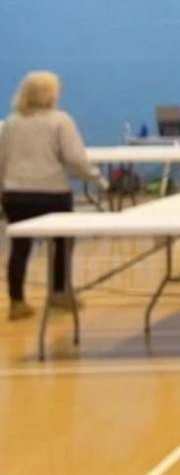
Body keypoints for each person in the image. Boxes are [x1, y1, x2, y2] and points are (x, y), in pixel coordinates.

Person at [0, 72, 100, 321]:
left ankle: (17, 301)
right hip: (52, 193)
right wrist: (95, 177)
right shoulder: (60, 121)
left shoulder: (11, 123)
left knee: (19, 248)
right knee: (61, 245)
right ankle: (59, 294)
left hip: (16, 194)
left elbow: (2, 161)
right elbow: (75, 159)